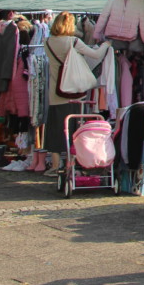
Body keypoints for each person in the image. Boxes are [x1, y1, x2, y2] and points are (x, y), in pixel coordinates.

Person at [43, 12, 110, 173]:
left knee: (55, 127)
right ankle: (73, 163)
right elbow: (96, 55)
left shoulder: (47, 42)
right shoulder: (73, 42)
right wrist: (106, 45)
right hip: (74, 91)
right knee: (75, 128)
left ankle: (55, 165)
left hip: (55, 91)